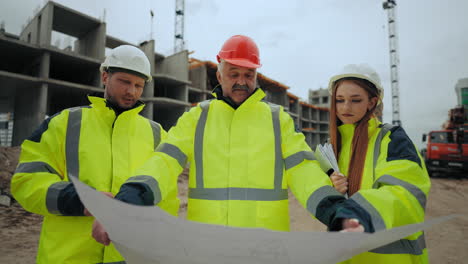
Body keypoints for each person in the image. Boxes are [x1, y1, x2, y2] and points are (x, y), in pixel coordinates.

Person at [93, 35, 374, 246]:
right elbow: (164, 162)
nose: (242, 81)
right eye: (234, 74)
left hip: (266, 249)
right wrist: (127, 201)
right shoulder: (198, 118)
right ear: (219, 74)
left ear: (256, 76)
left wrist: (336, 211)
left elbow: (304, 173)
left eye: (248, 75)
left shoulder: (278, 120)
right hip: (207, 248)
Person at [10, 45, 176, 264]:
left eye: (139, 85)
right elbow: (26, 182)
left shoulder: (156, 134)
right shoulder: (63, 124)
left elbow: (167, 196)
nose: (132, 92)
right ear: (105, 76)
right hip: (69, 257)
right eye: (125, 82)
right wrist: (81, 199)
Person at [327, 64, 431, 263]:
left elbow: (406, 193)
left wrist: (357, 214)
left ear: (372, 102)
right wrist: (331, 187)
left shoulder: (392, 139)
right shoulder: (333, 146)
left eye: (355, 100)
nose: (345, 108)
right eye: (339, 100)